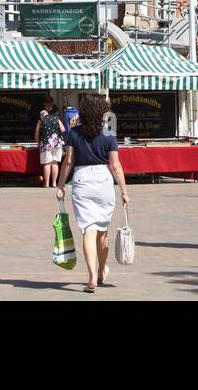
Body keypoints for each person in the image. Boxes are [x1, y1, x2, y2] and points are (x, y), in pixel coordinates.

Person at [55, 94, 129, 294]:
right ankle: (101, 272)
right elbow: (115, 165)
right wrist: (124, 190)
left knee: (88, 229)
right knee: (102, 231)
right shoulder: (108, 133)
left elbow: (68, 161)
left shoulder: (74, 133)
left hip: (81, 180)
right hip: (103, 180)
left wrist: (60, 185)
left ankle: (91, 278)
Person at [33, 97, 66, 189]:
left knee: (47, 163)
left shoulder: (41, 120)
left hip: (46, 143)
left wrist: (38, 142)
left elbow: (36, 134)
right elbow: (63, 129)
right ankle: (54, 183)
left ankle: (46, 183)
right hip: (56, 142)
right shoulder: (56, 118)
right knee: (55, 163)